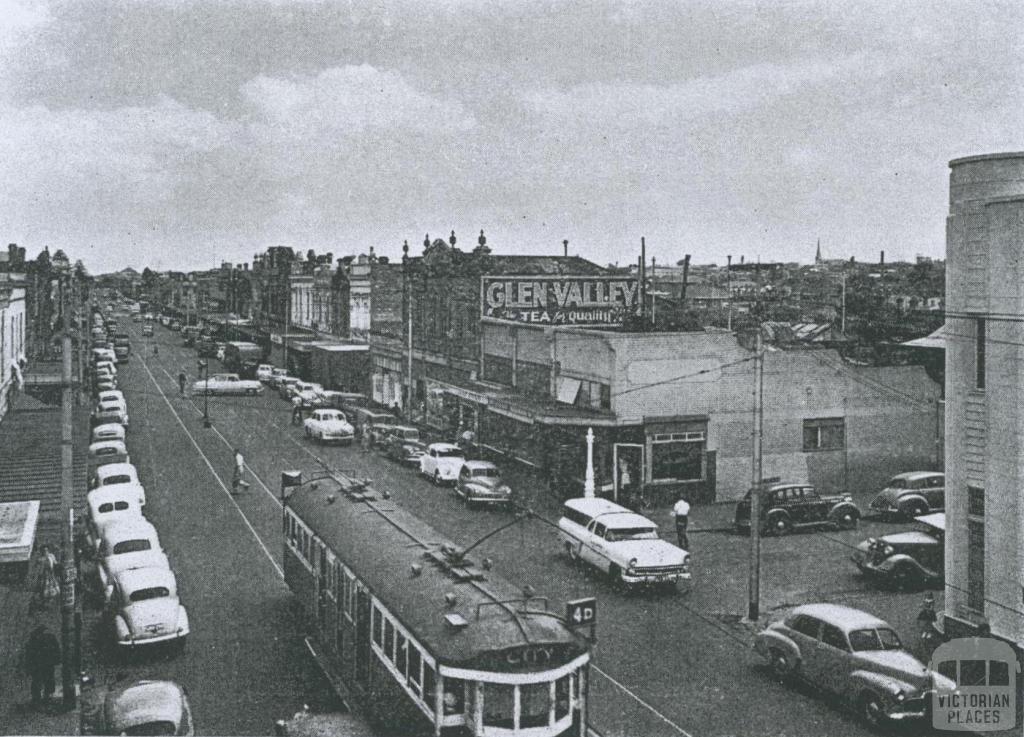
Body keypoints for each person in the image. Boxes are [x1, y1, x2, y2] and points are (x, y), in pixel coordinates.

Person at [23, 624, 61, 708]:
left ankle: (40, 699)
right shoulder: (47, 638)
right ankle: (41, 699)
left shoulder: (35, 639)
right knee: (42, 681)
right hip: (42, 664)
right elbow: (56, 649)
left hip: (42, 664)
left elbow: (29, 654)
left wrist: (29, 666)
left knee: (43, 681)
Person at [34, 545, 60, 612]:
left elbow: (55, 563)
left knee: (52, 587)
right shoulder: (40, 559)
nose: (45, 552)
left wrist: (57, 566)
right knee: (43, 588)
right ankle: (44, 603)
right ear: (42, 551)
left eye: (47, 550)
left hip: (51, 574)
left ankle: (50, 602)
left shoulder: (51, 556)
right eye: (44, 551)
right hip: (44, 575)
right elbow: (37, 567)